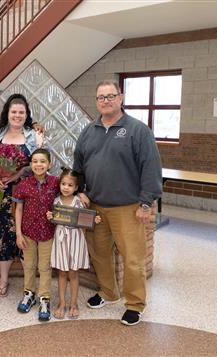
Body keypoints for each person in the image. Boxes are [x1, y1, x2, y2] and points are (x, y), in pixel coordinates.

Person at [73, 79, 162, 326]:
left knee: (132, 258)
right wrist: (80, 190)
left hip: (128, 208)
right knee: (99, 255)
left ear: (120, 98)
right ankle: (109, 293)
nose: (106, 101)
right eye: (101, 97)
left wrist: (146, 203)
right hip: (95, 206)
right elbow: (78, 165)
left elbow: (151, 168)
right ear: (96, 101)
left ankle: (135, 303)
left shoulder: (137, 130)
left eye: (110, 96)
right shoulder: (89, 131)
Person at [0, 94, 44, 297]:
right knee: (3, 235)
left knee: (26, 235)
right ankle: (3, 279)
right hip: (1, 193)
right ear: (7, 113)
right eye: (13, 112)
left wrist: (19, 174)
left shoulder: (34, 136)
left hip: (26, 195)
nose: (17, 115)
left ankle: (30, 284)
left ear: (26, 114)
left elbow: (39, 165)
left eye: (21, 112)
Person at [47, 168, 101, 320]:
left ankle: (74, 303)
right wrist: (50, 217)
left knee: (73, 273)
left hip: (76, 239)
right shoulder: (56, 201)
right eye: (63, 184)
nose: (66, 187)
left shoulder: (79, 202)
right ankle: (62, 304)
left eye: (70, 185)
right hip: (61, 239)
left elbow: (86, 220)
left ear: (76, 187)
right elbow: (53, 219)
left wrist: (94, 220)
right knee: (62, 273)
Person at [13, 148, 59, 321]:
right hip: (28, 232)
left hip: (48, 232)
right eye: (35, 161)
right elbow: (18, 210)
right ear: (30, 164)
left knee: (45, 267)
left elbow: (65, 202)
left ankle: (44, 298)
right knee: (29, 265)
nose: (38, 165)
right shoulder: (23, 185)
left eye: (42, 161)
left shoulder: (56, 183)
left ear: (49, 164)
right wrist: (18, 233)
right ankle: (29, 294)